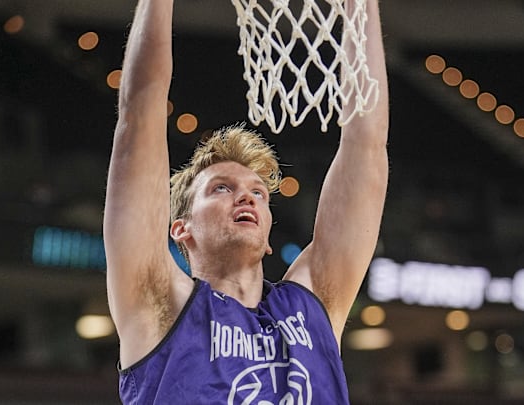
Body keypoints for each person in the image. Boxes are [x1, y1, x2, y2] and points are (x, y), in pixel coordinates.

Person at [103, 0, 389, 402]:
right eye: (221, 188)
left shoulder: (313, 303)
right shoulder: (160, 305)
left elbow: (368, 146)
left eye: (258, 192)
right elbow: (140, 110)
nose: (247, 198)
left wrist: (362, 9)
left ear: (269, 237)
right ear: (181, 228)